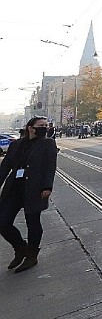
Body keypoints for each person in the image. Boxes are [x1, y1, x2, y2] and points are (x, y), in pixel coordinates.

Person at [0, 116, 57, 273]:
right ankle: (20, 248)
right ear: (30, 128)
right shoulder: (16, 144)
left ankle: (32, 255)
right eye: (41, 125)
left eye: (46, 125)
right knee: (2, 222)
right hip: (14, 189)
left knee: (33, 221)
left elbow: (50, 166)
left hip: (35, 189)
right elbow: (5, 166)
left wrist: (47, 186)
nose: (44, 128)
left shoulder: (48, 144)